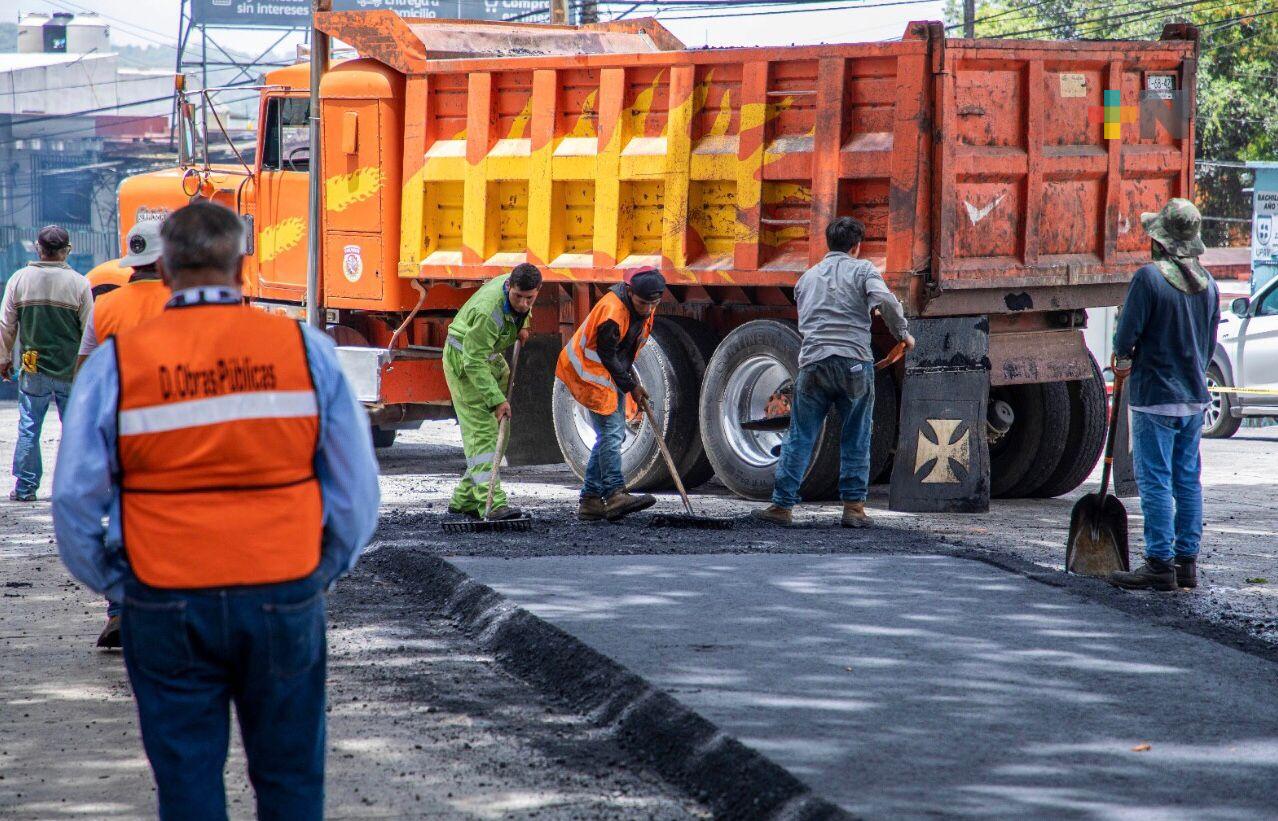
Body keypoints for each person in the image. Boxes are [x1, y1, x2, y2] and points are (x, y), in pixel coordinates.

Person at [52, 201, 380, 820]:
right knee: (290, 781)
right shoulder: (304, 350)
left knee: (188, 784)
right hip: (283, 590)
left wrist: (120, 582)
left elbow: (72, 499)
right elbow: (357, 488)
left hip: (165, 594)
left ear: (165, 270)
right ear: (241, 267)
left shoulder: (120, 364)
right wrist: (321, 568)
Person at [752, 216, 914, 528]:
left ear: (828, 244)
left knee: (801, 435)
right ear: (857, 246)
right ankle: (853, 509)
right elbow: (884, 300)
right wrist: (902, 334)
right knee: (856, 435)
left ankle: (782, 506)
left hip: (813, 364)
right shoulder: (864, 269)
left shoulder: (807, 278)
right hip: (853, 363)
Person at [1109, 198, 1218, 592]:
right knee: (1187, 480)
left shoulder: (1148, 279)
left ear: (1163, 242)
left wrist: (1121, 358)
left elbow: (1126, 338)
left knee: (1155, 480)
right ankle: (1186, 563)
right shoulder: (1210, 286)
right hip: (1193, 397)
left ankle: (1159, 563)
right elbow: (1207, 347)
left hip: (1155, 395)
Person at [77, 221, 172, 649]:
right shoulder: (180, 302)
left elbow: (86, 373)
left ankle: (118, 611)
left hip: (120, 430)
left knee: (122, 521)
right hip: (174, 427)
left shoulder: (105, 307)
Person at [556, 268, 665, 522]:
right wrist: (631, 386)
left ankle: (591, 500)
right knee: (612, 432)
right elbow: (608, 355)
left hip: (608, 372)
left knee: (608, 434)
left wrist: (631, 382)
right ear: (629, 292)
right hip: (589, 372)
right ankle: (615, 493)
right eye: (642, 303)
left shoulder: (644, 304)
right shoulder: (613, 312)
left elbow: (626, 351)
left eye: (653, 304)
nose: (647, 309)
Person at [0, 225, 92, 502]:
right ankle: (76, 489)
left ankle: (26, 488)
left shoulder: (19, 280)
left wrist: (4, 359)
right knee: (75, 429)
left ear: (38, 249)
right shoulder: (79, 283)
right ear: (66, 251)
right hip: (70, 370)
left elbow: (6, 325)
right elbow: (90, 331)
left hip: (32, 366)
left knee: (29, 425)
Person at [443, 262, 541, 521]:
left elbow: (521, 312)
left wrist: (523, 324)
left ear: (536, 292)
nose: (522, 303)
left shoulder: (520, 296)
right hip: (465, 364)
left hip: (488, 360)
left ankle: (464, 499)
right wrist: (497, 401)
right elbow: (472, 361)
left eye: (529, 298)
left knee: (500, 432)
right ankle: (492, 502)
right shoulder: (489, 313)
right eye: (518, 297)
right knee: (483, 436)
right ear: (509, 286)